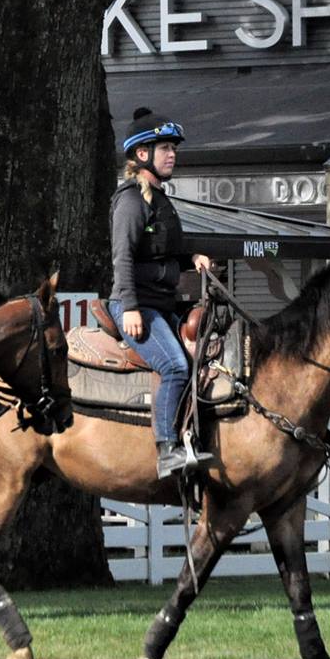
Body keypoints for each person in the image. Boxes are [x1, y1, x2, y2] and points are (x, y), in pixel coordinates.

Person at [110, 107, 216, 483]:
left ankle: (193, 438)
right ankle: (167, 450)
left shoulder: (161, 200)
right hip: (136, 306)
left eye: (174, 148)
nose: (173, 154)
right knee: (175, 366)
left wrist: (193, 257)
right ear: (142, 155)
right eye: (165, 148)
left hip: (162, 304)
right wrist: (131, 309)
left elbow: (170, 247)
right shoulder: (130, 202)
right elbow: (122, 258)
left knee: (205, 360)